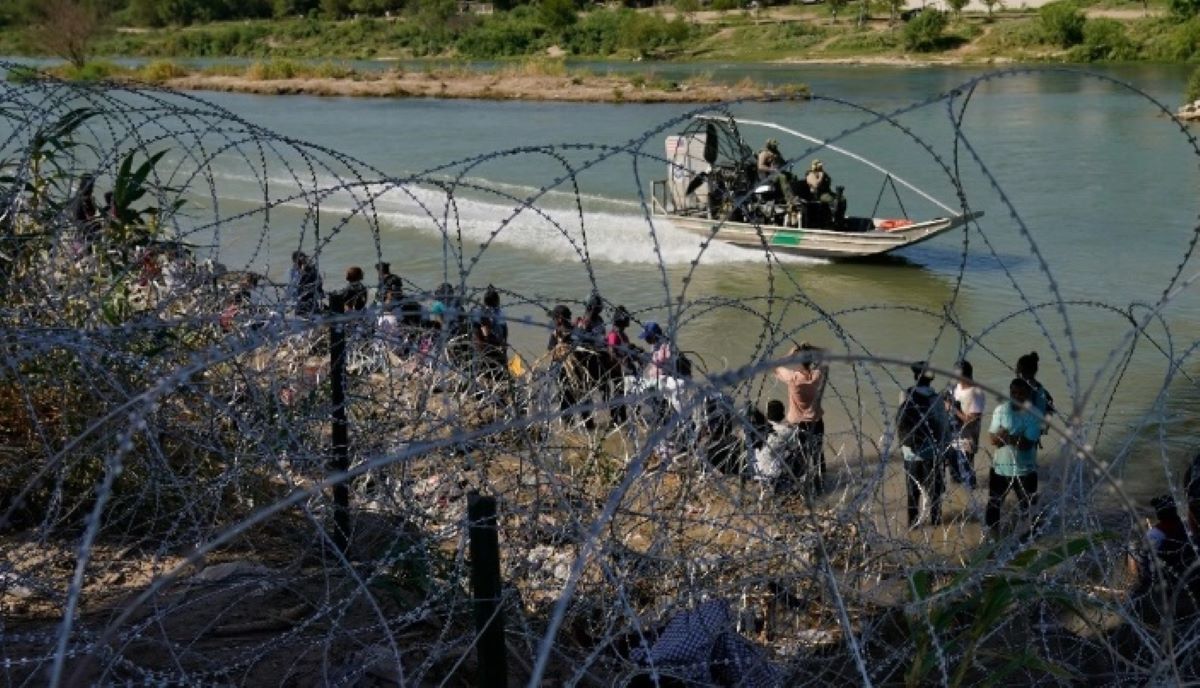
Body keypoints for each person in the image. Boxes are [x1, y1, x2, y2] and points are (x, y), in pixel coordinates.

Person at [985, 378, 1043, 537]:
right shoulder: (1001, 410)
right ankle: (992, 539)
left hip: (1025, 471)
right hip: (1000, 469)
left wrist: (1004, 437)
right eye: (1014, 393)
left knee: (1030, 510)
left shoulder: (1035, 414)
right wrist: (1013, 437)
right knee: (993, 506)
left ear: (1029, 394)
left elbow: (1027, 444)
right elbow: (992, 439)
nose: (1017, 396)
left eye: (1021, 393)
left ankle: (1031, 541)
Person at [898, 361, 949, 527]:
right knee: (934, 492)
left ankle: (912, 526)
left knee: (912, 492)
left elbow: (901, 423)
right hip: (931, 452)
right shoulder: (936, 399)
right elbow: (943, 427)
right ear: (931, 379)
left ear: (915, 376)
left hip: (910, 452)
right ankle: (935, 524)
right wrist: (945, 451)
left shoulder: (904, 394)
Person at [773, 342, 828, 493]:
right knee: (817, 455)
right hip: (816, 422)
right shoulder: (817, 375)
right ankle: (821, 486)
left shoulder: (793, 378)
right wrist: (812, 349)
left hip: (798, 425)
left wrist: (790, 354)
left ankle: (802, 488)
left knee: (800, 457)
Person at [1130, 495, 1200, 607]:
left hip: (1167, 581)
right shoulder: (1186, 528)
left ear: (1159, 514)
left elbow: (1145, 562)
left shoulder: (1154, 535)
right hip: (1187, 576)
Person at [948, 360, 985, 489]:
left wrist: (953, 410)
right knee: (954, 475)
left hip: (967, 441)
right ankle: (960, 498)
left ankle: (971, 500)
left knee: (967, 475)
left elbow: (972, 420)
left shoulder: (975, 393)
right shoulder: (956, 387)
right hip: (952, 437)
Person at [605, 306, 641, 426]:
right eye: (627, 318)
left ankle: (624, 419)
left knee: (622, 395)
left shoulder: (622, 335)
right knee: (617, 396)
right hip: (617, 371)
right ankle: (614, 420)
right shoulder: (614, 335)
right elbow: (612, 352)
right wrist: (623, 362)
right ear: (622, 320)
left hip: (624, 370)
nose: (629, 320)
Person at [756, 138, 797, 207]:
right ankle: (789, 199)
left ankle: (794, 195)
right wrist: (771, 169)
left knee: (793, 176)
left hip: (778, 172)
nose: (776, 147)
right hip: (769, 176)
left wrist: (788, 162)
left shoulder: (777, 153)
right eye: (774, 145)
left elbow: (783, 163)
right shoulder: (764, 154)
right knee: (782, 177)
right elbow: (760, 166)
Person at [1016, 351, 1056, 419]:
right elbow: (1050, 410)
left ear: (1020, 372)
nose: (1016, 371)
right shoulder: (1043, 392)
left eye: (1017, 369)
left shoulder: (1020, 391)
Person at [290, 251, 323, 316]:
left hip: (309, 300)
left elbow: (319, 283)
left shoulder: (311, 269)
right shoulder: (294, 271)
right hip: (304, 301)